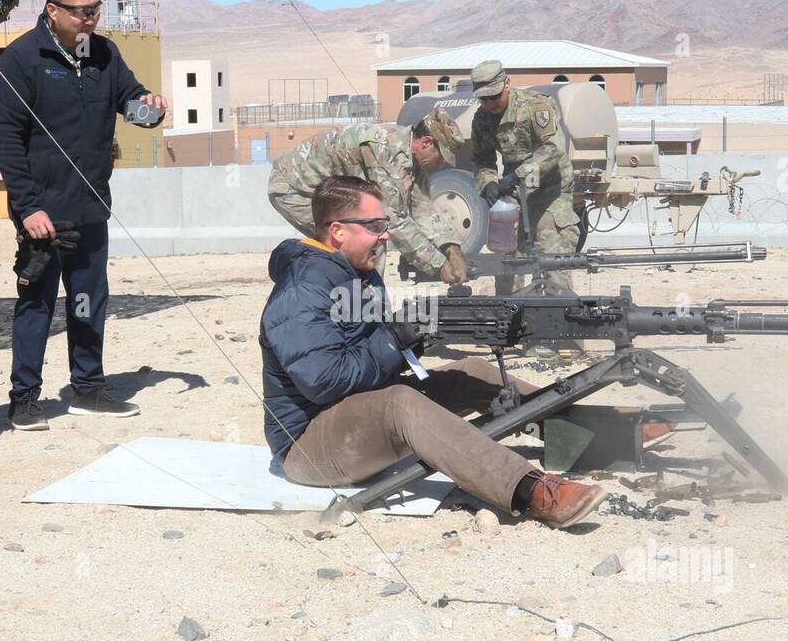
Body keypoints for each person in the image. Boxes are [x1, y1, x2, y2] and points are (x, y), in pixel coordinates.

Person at [259, 176, 607, 528]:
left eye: (386, 224)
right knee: (400, 402)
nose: (385, 235)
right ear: (338, 231)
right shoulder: (302, 289)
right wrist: (396, 337)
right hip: (307, 446)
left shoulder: (355, 274)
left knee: (471, 372)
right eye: (375, 226)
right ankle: (530, 490)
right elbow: (326, 382)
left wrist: (423, 331)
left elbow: (369, 353)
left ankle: (601, 437)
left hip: (355, 418)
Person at [0, 0, 166, 431]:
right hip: (43, 214)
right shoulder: (23, 60)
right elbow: (6, 139)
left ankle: (88, 388)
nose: (90, 19)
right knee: (37, 304)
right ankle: (24, 398)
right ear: (53, 10)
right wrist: (28, 207)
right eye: (81, 11)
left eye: (95, 9)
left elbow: (130, 101)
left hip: (91, 207)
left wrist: (149, 109)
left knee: (89, 299)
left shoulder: (104, 54)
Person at [267, 110, 468, 284]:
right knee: (363, 241)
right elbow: (395, 221)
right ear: (426, 142)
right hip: (295, 189)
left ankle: (363, 305)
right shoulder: (386, 150)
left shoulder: (412, 163)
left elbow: (423, 208)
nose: (441, 164)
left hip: (325, 192)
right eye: (441, 157)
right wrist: (438, 264)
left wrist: (451, 247)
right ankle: (363, 307)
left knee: (366, 238)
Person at [469, 59, 581, 297]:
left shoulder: (534, 107)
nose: (489, 103)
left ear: (507, 84)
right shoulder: (482, 119)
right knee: (507, 263)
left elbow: (553, 149)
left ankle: (558, 326)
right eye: (484, 98)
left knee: (554, 262)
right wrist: (488, 182)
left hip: (551, 189)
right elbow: (482, 159)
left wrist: (518, 175)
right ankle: (511, 323)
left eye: (494, 96)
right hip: (515, 194)